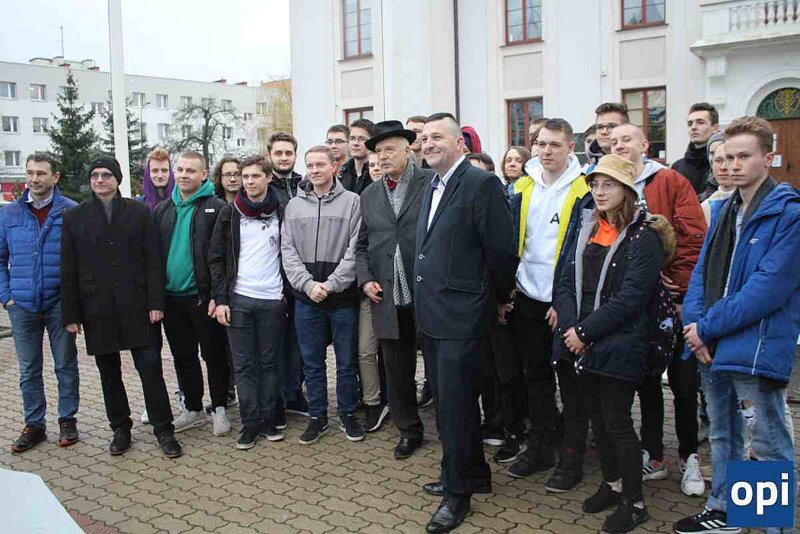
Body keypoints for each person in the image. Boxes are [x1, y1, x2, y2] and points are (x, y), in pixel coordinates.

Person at [674, 116, 800, 534]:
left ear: (768, 157)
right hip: (711, 344)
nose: (732, 165)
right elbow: (701, 273)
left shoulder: (788, 214)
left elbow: (767, 288)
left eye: (743, 156)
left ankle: (769, 525)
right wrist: (695, 328)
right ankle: (725, 510)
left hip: (754, 345)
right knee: (723, 433)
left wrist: (706, 328)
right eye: (726, 157)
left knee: (765, 441)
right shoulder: (724, 210)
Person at [553, 154, 675, 534]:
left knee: (617, 423)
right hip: (583, 341)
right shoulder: (590, 226)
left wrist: (584, 332)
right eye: (595, 184)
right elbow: (565, 280)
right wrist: (571, 329)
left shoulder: (644, 236)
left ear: (628, 190)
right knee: (598, 422)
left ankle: (634, 503)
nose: (600, 192)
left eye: (609, 185)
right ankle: (612, 484)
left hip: (619, 343)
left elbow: (631, 298)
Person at [415, 113, 516, 533]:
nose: (428, 143)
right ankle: (474, 474)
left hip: (463, 315)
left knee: (455, 408)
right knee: (448, 404)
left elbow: (501, 250)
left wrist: (500, 298)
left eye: (437, 136)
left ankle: (458, 494)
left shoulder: (481, 184)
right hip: (432, 314)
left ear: (460, 143)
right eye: (424, 137)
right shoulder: (431, 184)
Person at [608, 123, 708, 498]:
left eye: (627, 139)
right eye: (613, 141)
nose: (619, 145)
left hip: (673, 302)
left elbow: (692, 237)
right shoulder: (611, 185)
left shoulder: (669, 180)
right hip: (637, 306)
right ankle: (654, 455)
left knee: (684, 384)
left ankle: (689, 456)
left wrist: (679, 288)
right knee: (647, 381)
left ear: (645, 144)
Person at [60, 156, 181, 458]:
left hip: (138, 305)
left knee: (150, 368)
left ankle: (164, 430)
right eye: (95, 175)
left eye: (106, 175)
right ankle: (120, 428)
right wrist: (71, 314)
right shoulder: (75, 217)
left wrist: (156, 303)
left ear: (117, 179)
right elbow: (68, 268)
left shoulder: (139, 213)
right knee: (109, 373)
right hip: (97, 308)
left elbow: (153, 260)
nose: (100, 180)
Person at [506, 119, 591, 493]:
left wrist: (563, 299)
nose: (546, 151)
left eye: (555, 144)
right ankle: (540, 448)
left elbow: (583, 251)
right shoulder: (521, 187)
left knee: (571, 384)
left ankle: (571, 459)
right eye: (541, 144)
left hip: (565, 303)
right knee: (535, 379)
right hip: (527, 297)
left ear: (570, 147)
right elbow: (514, 242)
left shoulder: (585, 190)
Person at [357, 120, 434, 459]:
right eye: (378, 151)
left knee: (438, 366)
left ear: (408, 150)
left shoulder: (431, 183)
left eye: (390, 149)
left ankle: (450, 426)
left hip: (427, 294)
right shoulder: (370, 194)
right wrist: (365, 279)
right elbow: (361, 246)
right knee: (397, 370)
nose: (383, 156)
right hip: (387, 296)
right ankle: (409, 430)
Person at [281, 145, 365, 445]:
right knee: (312, 362)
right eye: (310, 165)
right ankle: (317, 416)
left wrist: (331, 284)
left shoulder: (352, 202)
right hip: (307, 299)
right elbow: (288, 251)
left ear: (334, 167)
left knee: (346, 362)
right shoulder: (294, 206)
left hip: (342, 299)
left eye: (320, 164)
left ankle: (347, 413)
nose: (315, 170)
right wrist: (308, 285)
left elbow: (355, 249)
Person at [1, 153, 79, 453]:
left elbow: (81, 261)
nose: (34, 179)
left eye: (41, 173)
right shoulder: (9, 214)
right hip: (21, 305)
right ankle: (34, 425)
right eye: (31, 173)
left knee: (66, 365)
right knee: (29, 370)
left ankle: (67, 420)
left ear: (55, 177)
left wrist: (75, 304)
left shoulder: (71, 211)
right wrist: (7, 297)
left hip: (59, 303)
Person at [209, 155, 288, 450]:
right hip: (239, 299)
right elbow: (216, 259)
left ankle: (269, 419)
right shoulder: (230, 213)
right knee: (244, 366)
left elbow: (291, 251)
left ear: (268, 177)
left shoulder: (282, 210)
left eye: (256, 176)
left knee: (269, 363)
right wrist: (221, 299)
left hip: (272, 298)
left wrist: (287, 291)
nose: (249, 182)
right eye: (246, 177)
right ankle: (250, 423)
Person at [153, 151, 231, 436]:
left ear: (204, 175)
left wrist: (218, 296)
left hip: (204, 299)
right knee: (183, 356)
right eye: (181, 170)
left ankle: (219, 407)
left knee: (214, 354)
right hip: (172, 300)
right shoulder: (162, 210)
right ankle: (193, 408)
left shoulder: (217, 208)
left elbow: (224, 258)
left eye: (191, 170)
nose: (184, 175)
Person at [267, 132, 309, 417]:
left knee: (301, 338)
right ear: (270, 155)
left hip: (304, 274)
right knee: (277, 341)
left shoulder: (306, 186)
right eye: (278, 153)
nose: (283, 157)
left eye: (288, 153)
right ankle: (278, 396)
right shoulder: (265, 188)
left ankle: (295, 392)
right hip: (275, 276)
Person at [671, 103, 720, 196]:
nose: (693, 127)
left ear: (715, 128)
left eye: (700, 122)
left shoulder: (723, 164)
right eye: (690, 124)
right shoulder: (677, 167)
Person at [700, 131, 734, 226]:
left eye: (729, 159)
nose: (723, 167)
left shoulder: (752, 201)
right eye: (718, 160)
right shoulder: (706, 206)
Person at [586, 103, 629, 169]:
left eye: (611, 126)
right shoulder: (587, 171)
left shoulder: (642, 169)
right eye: (600, 127)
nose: (604, 132)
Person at [339, 119, 375, 195]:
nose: (355, 143)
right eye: (352, 138)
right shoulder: (343, 172)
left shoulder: (377, 172)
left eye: (362, 139)